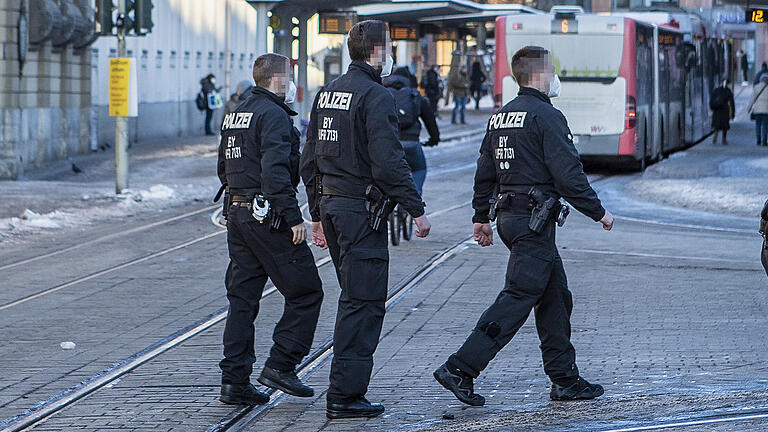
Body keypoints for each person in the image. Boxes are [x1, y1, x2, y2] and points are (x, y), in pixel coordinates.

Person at [433, 46, 614, 407]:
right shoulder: (547, 116)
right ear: (540, 75)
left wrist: (480, 217)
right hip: (533, 222)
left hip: (513, 220)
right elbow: (568, 175)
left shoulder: (502, 116)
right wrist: (598, 212)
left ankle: (565, 379)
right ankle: (461, 368)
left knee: (555, 298)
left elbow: (484, 173)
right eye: (552, 70)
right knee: (517, 298)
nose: (554, 77)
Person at [300, 20, 432, 419]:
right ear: (377, 52)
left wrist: (318, 214)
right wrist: (417, 209)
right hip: (360, 214)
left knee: (353, 298)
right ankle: (345, 395)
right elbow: (390, 163)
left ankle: (344, 389)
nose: (391, 53)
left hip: (336, 210)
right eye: (389, 46)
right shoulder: (376, 96)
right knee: (364, 304)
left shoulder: (328, 93)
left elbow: (310, 161)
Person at [217, 54, 324, 406]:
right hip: (267, 216)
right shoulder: (274, 115)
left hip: (236, 212)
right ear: (279, 80)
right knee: (306, 290)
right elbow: (276, 174)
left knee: (242, 300)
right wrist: (294, 218)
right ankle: (282, 364)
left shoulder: (238, 112)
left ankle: (234, 381)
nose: (292, 83)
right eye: (290, 76)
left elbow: (223, 166)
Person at [383, 66, 440, 195]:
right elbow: (430, 120)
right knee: (419, 170)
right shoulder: (415, 95)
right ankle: (415, 197)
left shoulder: (383, 93)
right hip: (411, 142)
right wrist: (434, 139)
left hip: (389, 144)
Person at [710, 80, 734, 146]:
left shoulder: (716, 90)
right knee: (724, 127)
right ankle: (724, 140)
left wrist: (712, 108)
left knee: (717, 126)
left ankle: (715, 138)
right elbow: (732, 102)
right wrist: (733, 113)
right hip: (725, 110)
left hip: (717, 111)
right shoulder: (728, 91)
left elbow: (712, 100)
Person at [748, 74, 768, 146]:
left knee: (758, 124)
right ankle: (764, 140)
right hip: (766, 110)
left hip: (757, 110)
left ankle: (758, 139)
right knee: (765, 125)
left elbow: (752, 99)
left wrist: (749, 108)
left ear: (760, 80)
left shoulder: (756, 87)